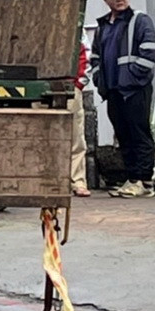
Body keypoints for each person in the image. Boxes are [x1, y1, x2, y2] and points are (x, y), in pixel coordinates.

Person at [91, 0, 155, 198]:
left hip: (134, 90)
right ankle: (132, 179)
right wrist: (97, 77)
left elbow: (151, 50)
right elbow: (95, 57)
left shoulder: (139, 21)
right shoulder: (104, 26)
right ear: (106, 0)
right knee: (124, 135)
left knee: (139, 134)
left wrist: (134, 76)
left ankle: (144, 181)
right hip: (113, 91)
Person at [70, 42, 90, 197]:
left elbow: (83, 52)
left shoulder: (73, 27)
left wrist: (78, 85)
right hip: (38, 85)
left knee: (76, 137)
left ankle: (78, 181)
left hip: (70, 86)